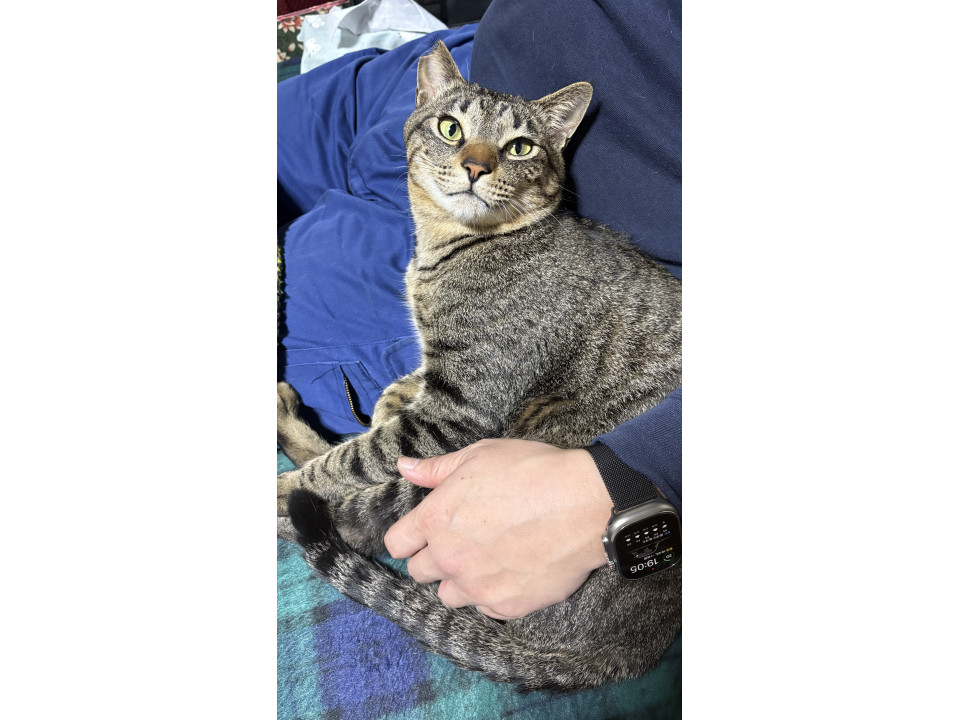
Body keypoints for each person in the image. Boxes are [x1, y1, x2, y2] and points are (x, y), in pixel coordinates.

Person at [277, 0, 681, 621]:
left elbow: (454, 421)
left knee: (406, 431)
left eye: (515, 149)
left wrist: (637, 473)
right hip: (449, 80)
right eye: (451, 133)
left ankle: (322, 496)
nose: (478, 162)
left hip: (586, 415)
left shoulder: (522, 265)